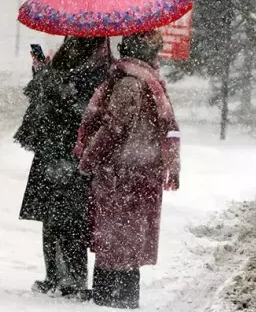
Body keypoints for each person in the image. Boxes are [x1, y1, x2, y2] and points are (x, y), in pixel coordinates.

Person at [73, 30, 181, 309]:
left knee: (113, 241)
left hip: (121, 174)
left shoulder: (129, 83)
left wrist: (89, 159)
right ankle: (127, 299)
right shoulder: (150, 82)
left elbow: (113, 128)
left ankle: (108, 298)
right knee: (129, 243)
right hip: (143, 171)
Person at [14, 36, 113, 299]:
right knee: (71, 219)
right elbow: (86, 114)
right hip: (72, 155)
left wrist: (43, 73)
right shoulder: (98, 73)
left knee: (54, 217)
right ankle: (72, 279)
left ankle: (57, 276)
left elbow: (43, 102)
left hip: (53, 153)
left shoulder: (63, 68)